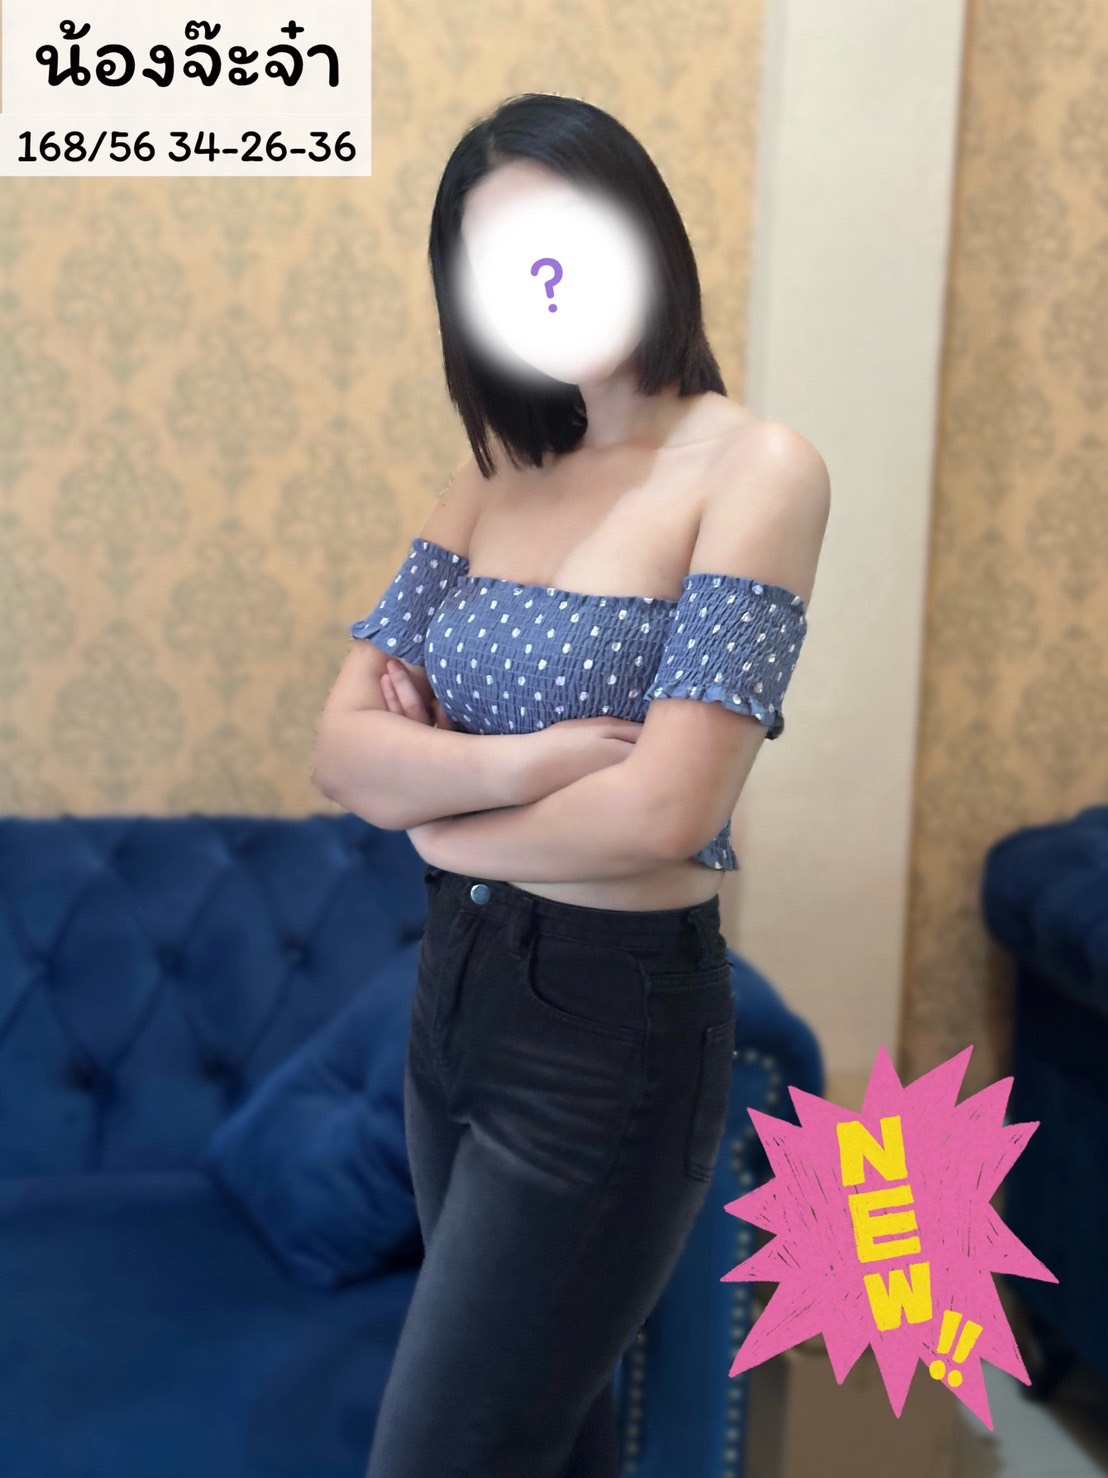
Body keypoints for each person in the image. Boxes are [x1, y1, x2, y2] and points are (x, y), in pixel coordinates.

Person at [312, 92, 830, 1478]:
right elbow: (341, 748)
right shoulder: (490, 479)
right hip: (454, 999)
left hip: (609, 1031)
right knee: (549, 1446)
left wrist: (432, 815)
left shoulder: (760, 468)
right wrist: (524, 765)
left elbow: (669, 810)